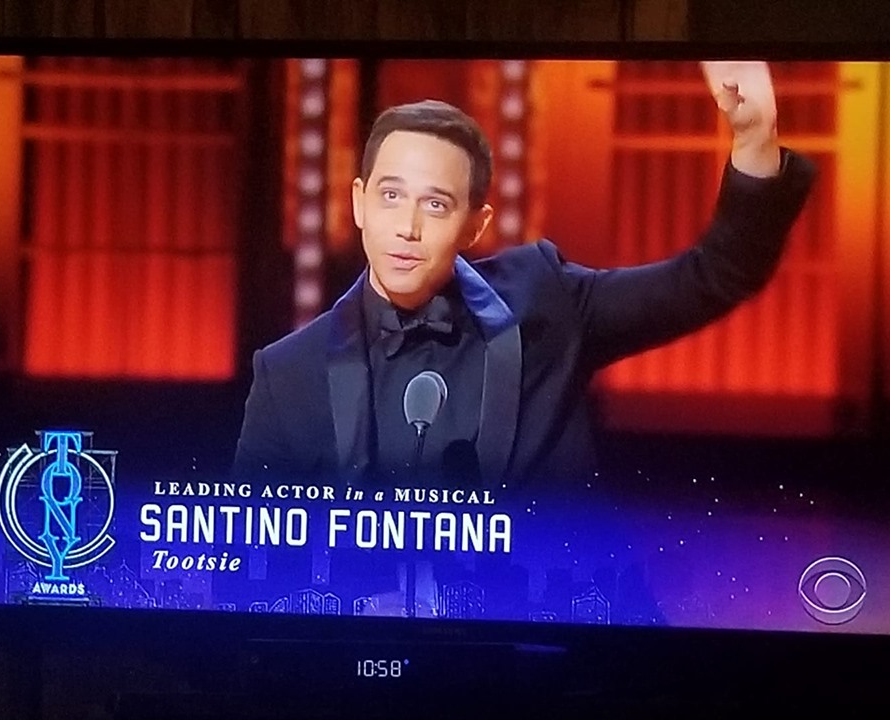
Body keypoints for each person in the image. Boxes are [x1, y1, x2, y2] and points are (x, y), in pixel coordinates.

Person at [234, 61, 815, 490]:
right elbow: (256, 562)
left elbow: (714, 276)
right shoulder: (288, 374)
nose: (407, 227)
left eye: (435, 205)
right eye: (390, 196)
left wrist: (755, 139)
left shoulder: (545, 301)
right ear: (359, 203)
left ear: (476, 225)